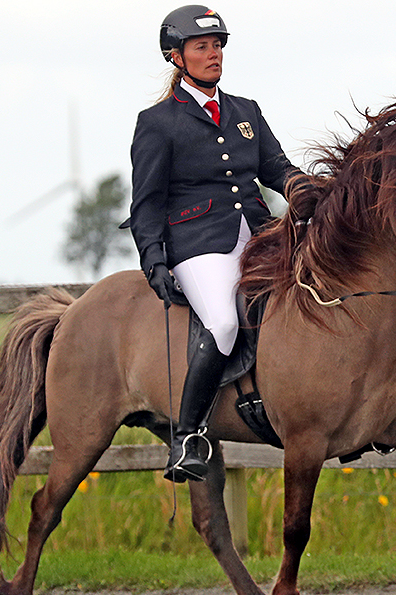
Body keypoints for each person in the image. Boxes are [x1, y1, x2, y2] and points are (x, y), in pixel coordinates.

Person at [123, 5, 300, 483]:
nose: (213, 53)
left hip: (260, 234)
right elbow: (147, 202)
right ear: (177, 57)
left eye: (218, 44)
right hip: (199, 243)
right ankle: (189, 436)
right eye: (202, 46)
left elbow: (276, 168)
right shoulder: (157, 123)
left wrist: (301, 186)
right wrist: (155, 262)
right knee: (222, 322)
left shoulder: (246, 111)